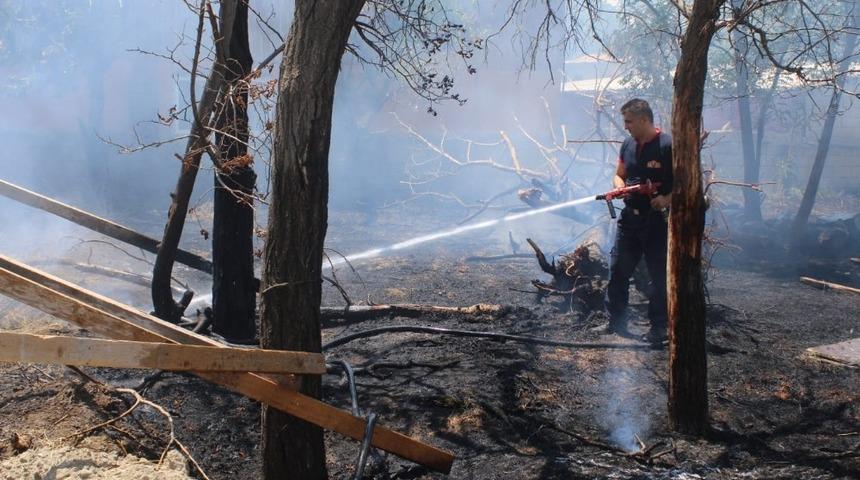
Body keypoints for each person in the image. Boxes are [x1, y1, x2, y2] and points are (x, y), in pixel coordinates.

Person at [601, 98, 673, 344]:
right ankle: (615, 322)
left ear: (644, 119)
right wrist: (620, 188)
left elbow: (684, 183)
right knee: (618, 270)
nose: (626, 126)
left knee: (658, 275)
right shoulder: (628, 144)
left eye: (629, 121)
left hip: (656, 223)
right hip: (629, 219)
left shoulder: (667, 145)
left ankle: (659, 326)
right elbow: (619, 175)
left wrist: (665, 199)